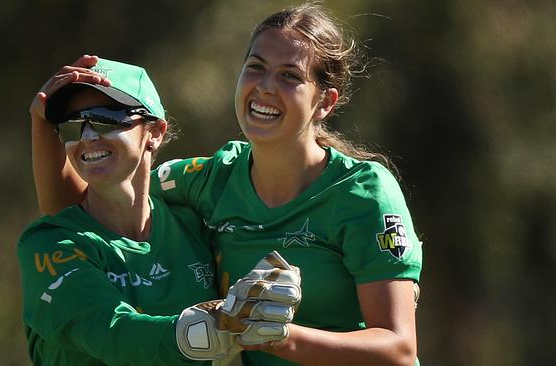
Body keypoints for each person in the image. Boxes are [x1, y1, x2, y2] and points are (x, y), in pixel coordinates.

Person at [33, 3, 423, 366]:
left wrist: (276, 336)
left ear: (325, 103)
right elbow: (80, 212)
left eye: (289, 75)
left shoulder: (364, 193)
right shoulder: (210, 178)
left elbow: (399, 350)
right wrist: (42, 122)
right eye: (255, 67)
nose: (265, 86)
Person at [19, 58, 302, 365]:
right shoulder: (49, 243)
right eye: (74, 124)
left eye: (106, 118)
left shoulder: (193, 225)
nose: (87, 136)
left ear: (155, 132)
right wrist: (206, 328)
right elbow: (107, 331)